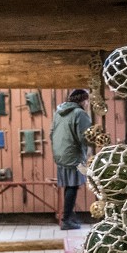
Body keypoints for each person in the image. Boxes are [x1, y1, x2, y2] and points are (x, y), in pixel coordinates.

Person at [51, 88, 93, 230]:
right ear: (83, 100)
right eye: (87, 100)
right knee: (73, 187)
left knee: (69, 186)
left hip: (60, 154)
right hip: (73, 155)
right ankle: (66, 219)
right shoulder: (80, 114)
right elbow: (85, 136)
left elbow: (52, 132)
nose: (88, 104)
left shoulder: (59, 112)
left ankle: (69, 215)